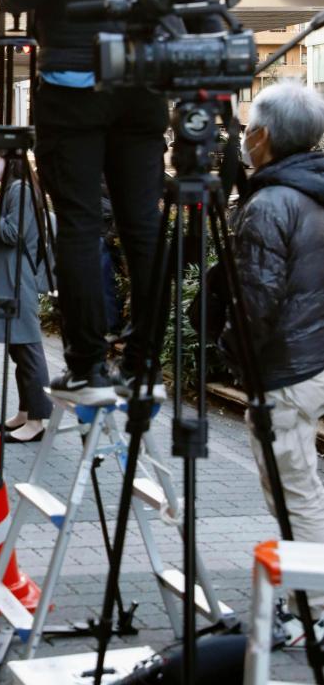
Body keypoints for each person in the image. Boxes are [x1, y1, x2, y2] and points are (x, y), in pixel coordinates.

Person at [0, 0, 216, 404]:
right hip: (148, 79)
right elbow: (200, 4)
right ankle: (147, 360)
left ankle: (89, 363)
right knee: (144, 222)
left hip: (74, 74)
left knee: (82, 221)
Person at [221, 81, 324, 645]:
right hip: (315, 357)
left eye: (246, 130)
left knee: (294, 491)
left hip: (286, 366)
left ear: (261, 136)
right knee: (302, 482)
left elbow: (254, 299)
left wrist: (230, 352)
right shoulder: (314, 189)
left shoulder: (271, 202)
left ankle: (313, 611)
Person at [0, 149, 52, 443]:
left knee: (28, 348)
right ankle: (26, 411)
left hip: (17, 280)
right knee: (19, 349)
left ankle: (38, 419)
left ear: (10, 160)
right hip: (12, 277)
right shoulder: (16, 189)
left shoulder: (21, 190)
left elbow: (10, 233)